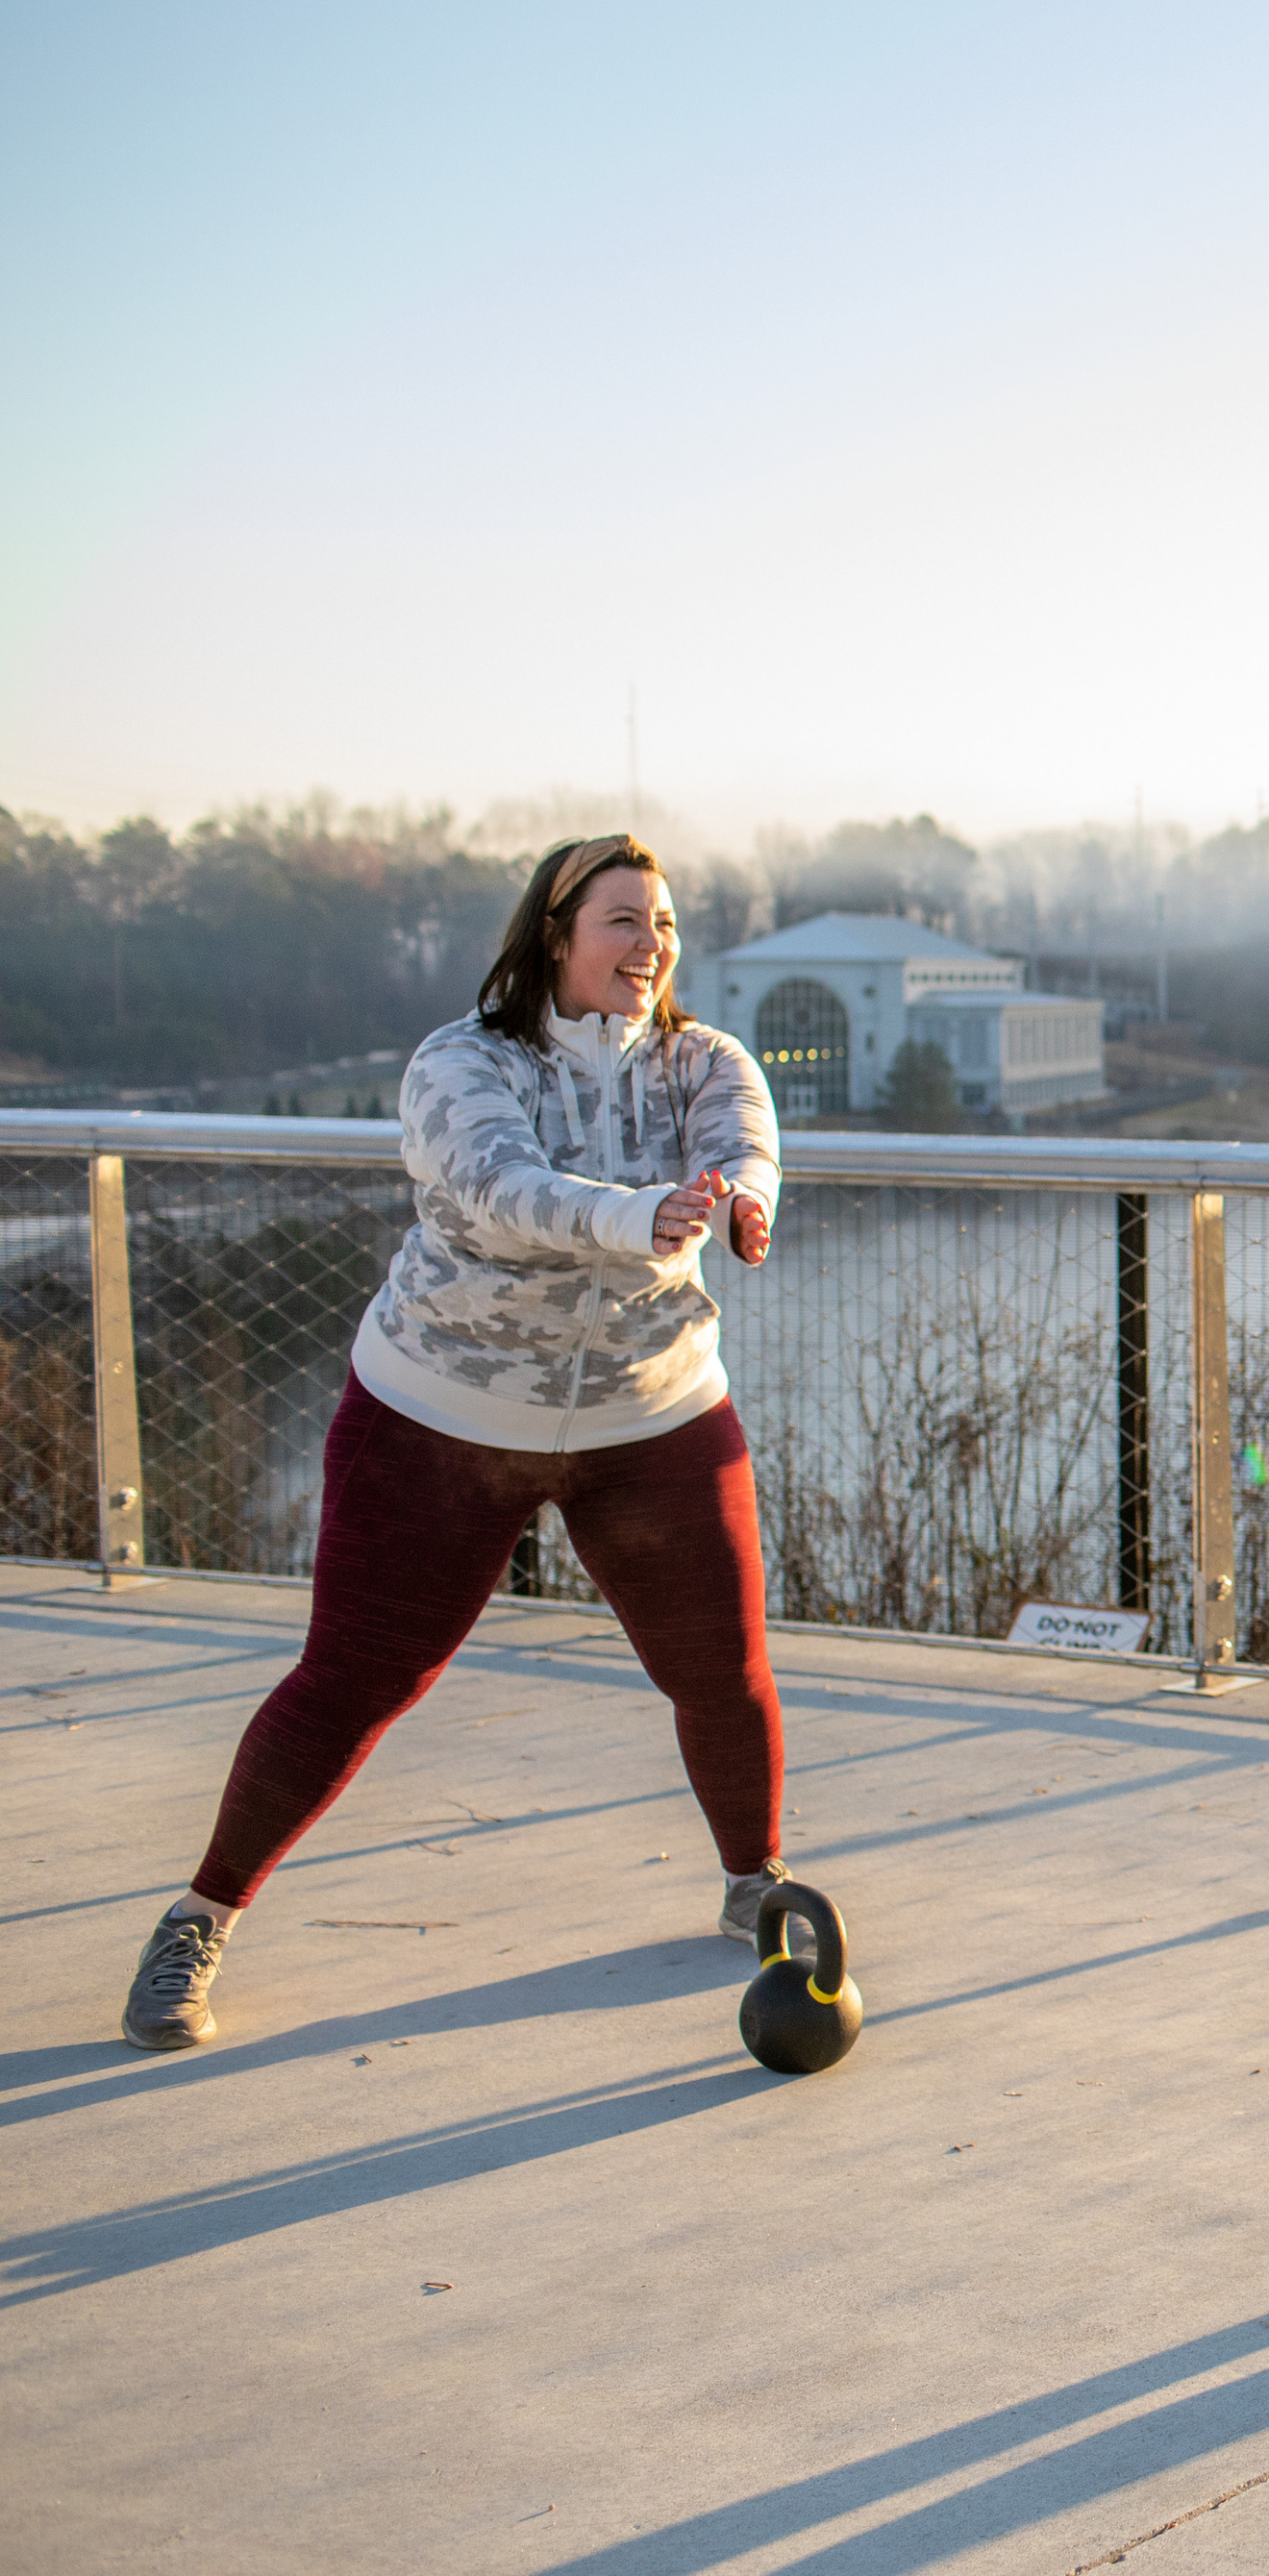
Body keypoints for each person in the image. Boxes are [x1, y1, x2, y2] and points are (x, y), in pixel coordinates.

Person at [118, 834, 796, 2051]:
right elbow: (502, 1187)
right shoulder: (459, 1062)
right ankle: (199, 1917)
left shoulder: (705, 1059)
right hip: (440, 1417)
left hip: (653, 1413)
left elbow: (744, 1142)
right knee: (354, 1681)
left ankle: (757, 1883)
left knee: (722, 1668)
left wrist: (742, 1200)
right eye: (623, 923)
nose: (652, 947)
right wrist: (645, 1214)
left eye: (666, 925)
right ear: (554, 933)